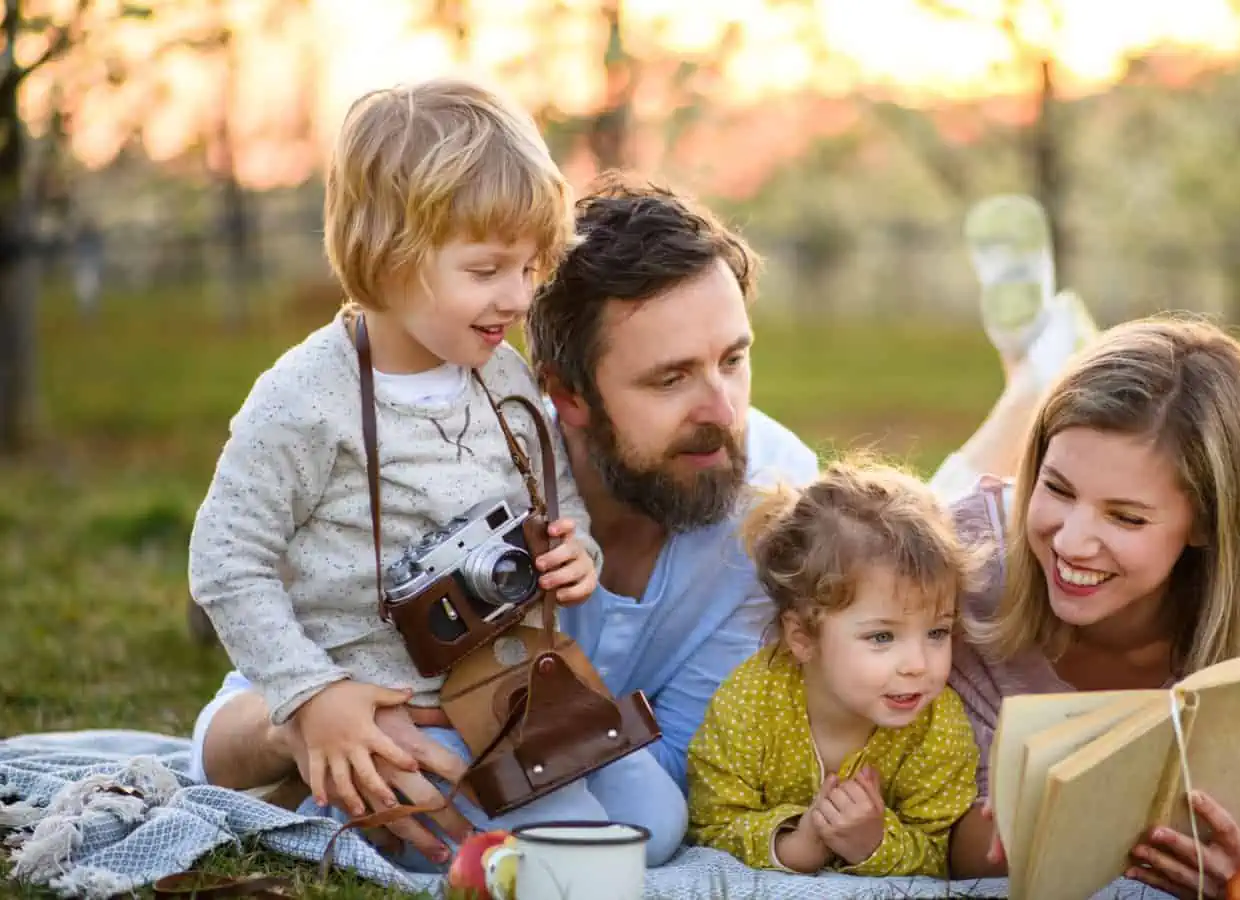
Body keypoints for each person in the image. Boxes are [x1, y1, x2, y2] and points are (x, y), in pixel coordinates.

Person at [184, 80, 683, 868]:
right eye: (487, 270)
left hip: (508, 700)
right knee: (580, 852)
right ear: (390, 252)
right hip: (388, 722)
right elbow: (223, 559)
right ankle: (321, 778)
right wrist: (313, 697)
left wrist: (573, 549)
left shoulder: (502, 377)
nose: (517, 298)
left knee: (659, 822)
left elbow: (551, 503)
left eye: (529, 268)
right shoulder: (307, 400)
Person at [942, 315, 1240, 899]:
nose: (1071, 541)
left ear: (1207, 521)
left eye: (1125, 516)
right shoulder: (970, 562)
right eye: (1057, 489)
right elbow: (933, 828)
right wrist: (1017, 837)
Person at [685, 456, 987, 877]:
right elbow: (710, 825)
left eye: (937, 632)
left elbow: (940, 851)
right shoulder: (748, 706)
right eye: (882, 637)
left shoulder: (938, 729)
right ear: (802, 638)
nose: (919, 665)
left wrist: (875, 843)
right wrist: (795, 843)